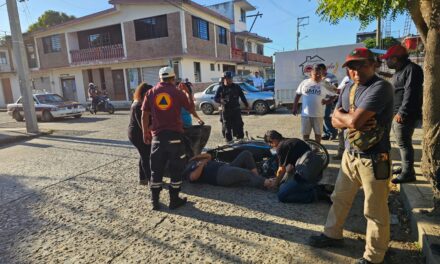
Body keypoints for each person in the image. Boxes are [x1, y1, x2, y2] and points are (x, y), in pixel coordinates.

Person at [309, 48, 394, 264]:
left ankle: (374, 256)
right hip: (350, 155)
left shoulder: (381, 87)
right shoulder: (349, 88)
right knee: (339, 198)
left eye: (361, 64)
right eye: (352, 66)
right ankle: (332, 235)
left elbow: (351, 121)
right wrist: (348, 119)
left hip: (374, 158)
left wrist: (346, 119)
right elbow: (338, 120)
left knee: (374, 209)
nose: (356, 70)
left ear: (373, 64)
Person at [141, 67, 199, 210]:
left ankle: (154, 202)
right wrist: (188, 93)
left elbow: (144, 115)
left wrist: (145, 133)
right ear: (173, 78)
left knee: (156, 170)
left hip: (157, 138)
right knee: (176, 170)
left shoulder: (150, 92)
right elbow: (191, 109)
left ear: (160, 78)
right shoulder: (178, 93)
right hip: (175, 138)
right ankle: (174, 200)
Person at [381, 45, 424, 184]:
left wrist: (402, 112)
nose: (386, 62)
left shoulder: (412, 69)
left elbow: (411, 92)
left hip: (404, 114)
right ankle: (405, 167)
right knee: (401, 144)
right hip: (396, 113)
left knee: (404, 144)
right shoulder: (400, 71)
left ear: (395, 58)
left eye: (387, 59)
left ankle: (408, 173)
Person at [264, 130, 331, 203]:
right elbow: (290, 168)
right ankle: (320, 188)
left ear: (272, 140)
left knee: (282, 195)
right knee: (288, 185)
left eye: (270, 144)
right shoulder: (291, 141)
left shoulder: (280, 147)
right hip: (316, 173)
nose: (272, 146)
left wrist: (276, 182)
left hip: (305, 175)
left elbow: (281, 170)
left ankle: (316, 195)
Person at [183, 150, 275, 188]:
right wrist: (201, 165)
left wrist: (196, 157)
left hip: (225, 167)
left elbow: (209, 156)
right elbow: (193, 177)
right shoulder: (186, 169)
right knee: (246, 173)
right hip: (219, 176)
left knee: (246, 154)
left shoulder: (193, 161)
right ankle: (267, 183)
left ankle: (257, 178)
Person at [292, 65, 336, 144]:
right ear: (311, 74)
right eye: (316, 74)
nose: (318, 76)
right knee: (305, 134)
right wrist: (294, 107)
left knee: (318, 134)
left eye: (320, 74)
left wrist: (327, 101)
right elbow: (298, 95)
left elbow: (335, 94)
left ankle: (317, 148)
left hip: (318, 114)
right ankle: (306, 147)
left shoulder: (325, 83)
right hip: (306, 114)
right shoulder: (304, 82)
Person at [128, 82, 153, 186]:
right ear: (144, 94)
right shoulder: (138, 105)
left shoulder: (140, 103)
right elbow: (143, 126)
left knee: (143, 155)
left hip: (137, 132)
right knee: (145, 156)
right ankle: (151, 180)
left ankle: (143, 179)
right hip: (137, 134)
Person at [214, 71, 250, 142]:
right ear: (224, 79)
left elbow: (242, 96)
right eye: (228, 78)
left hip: (236, 110)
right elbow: (215, 98)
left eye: (231, 78)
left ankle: (240, 139)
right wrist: (221, 100)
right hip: (226, 111)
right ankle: (229, 141)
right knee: (227, 126)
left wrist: (246, 105)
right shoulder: (220, 88)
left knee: (239, 125)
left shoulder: (236, 87)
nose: (230, 79)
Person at [333, 71, 353, 160]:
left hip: (352, 118)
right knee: (341, 135)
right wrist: (336, 112)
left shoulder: (362, 85)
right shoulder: (345, 84)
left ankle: (350, 155)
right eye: (347, 69)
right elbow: (339, 98)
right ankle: (341, 153)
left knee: (351, 137)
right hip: (343, 116)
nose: (348, 71)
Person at [317, 63, 339, 141]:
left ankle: (333, 132)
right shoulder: (318, 77)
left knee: (326, 117)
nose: (319, 71)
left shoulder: (331, 77)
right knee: (320, 117)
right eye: (318, 70)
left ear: (325, 69)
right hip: (319, 101)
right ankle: (326, 133)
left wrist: (330, 100)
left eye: (320, 70)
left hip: (328, 100)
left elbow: (335, 89)